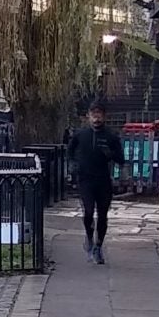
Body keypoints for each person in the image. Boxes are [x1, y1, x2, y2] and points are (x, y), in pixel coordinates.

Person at [65, 102, 126, 263]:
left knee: (103, 215)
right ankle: (89, 237)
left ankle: (99, 246)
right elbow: (69, 151)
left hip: (103, 180)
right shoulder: (80, 135)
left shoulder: (111, 136)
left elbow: (121, 159)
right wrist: (72, 165)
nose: (96, 118)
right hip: (85, 179)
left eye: (99, 115)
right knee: (88, 211)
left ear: (104, 116)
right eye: (94, 114)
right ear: (88, 117)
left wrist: (110, 154)